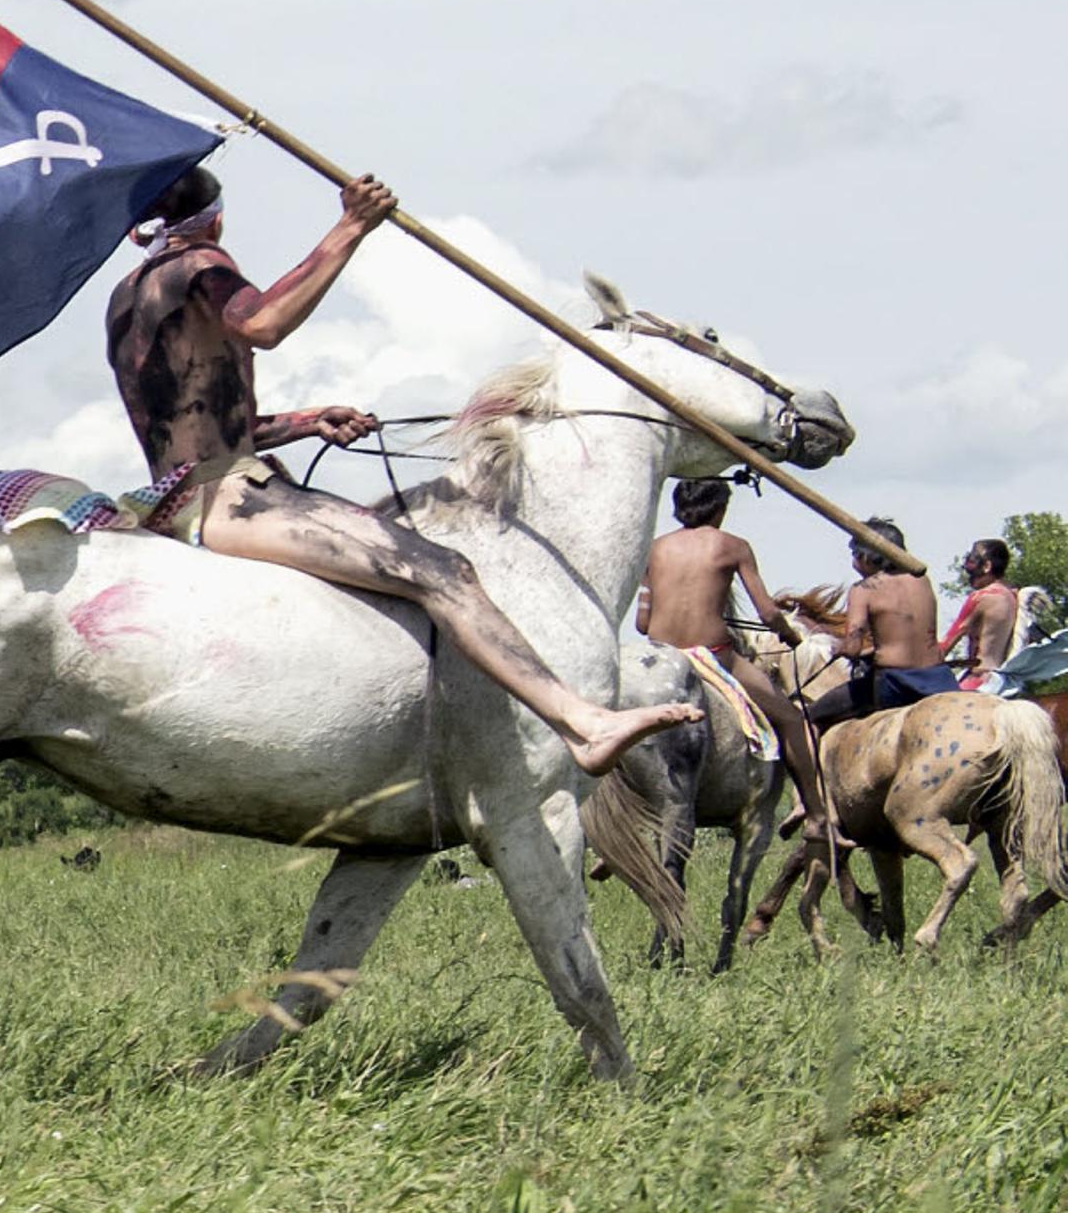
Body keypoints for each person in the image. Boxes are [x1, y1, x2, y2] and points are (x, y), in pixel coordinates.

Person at [97, 167, 691, 770]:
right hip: (233, 499)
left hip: (172, 497)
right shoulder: (201, 267)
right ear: (216, 217)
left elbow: (193, 416)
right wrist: (351, 227)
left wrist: (306, 421)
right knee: (444, 569)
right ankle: (582, 722)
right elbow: (262, 323)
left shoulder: (127, 296)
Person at [638, 476, 831, 849]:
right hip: (714, 655)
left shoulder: (655, 549)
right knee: (792, 717)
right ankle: (817, 813)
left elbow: (642, 623)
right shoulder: (733, 546)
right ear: (720, 509)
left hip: (659, 657)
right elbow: (768, 614)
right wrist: (790, 636)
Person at [796, 530, 950, 728]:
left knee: (805, 719)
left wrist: (836, 648)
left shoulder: (863, 590)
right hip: (938, 677)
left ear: (867, 555)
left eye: (854, 553)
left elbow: (852, 648)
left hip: (896, 685)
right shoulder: (922, 581)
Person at [942, 539, 1023, 687]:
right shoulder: (1012, 596)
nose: (967, 570)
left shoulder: (980, 597)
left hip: (978, 679)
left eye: (972, 561)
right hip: (1001, 681)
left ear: (986, 566)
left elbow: (946, 645)